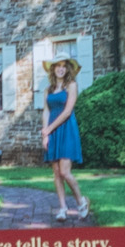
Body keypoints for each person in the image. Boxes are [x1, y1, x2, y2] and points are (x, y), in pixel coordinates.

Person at [39, 58, 88, 222]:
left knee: (65, 172)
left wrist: (49, 129)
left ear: (67, 69)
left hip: (66, 130)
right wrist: (45, 135)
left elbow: (67, 112)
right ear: (53, 69)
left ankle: (81, 201)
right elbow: (46, 112)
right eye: (57, 66)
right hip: (52, 132)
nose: (60, 69)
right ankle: (62, 208)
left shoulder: (72, 85)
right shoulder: (48, 90)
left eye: (63, 66)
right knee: (56, 174)